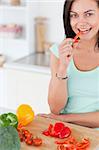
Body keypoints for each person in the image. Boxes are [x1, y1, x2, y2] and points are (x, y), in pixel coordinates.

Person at [43, 0, 99, 129]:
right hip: (64, 132)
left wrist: (64, 119)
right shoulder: (59, 51)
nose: (81, 22)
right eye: (74, 15)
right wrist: (63, 68)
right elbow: (55, 108)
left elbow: (57, 115)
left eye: (89, 14)